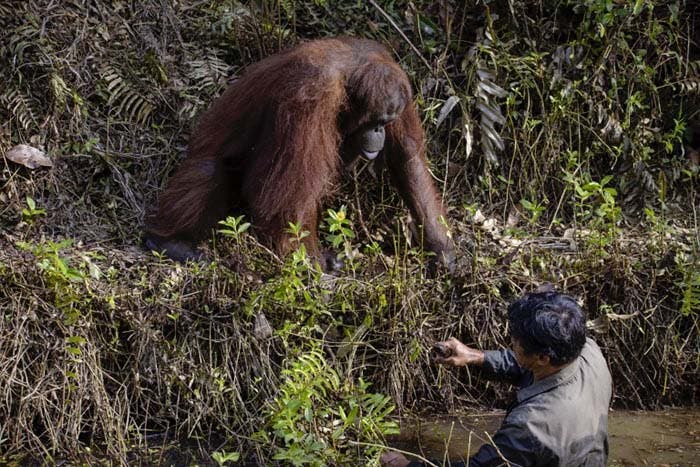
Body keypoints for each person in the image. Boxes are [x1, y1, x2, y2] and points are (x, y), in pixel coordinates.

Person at [381, 289, 613, 467]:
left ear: (542, 357)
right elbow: (527, 365)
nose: (511, 341)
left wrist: (410, 465)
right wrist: (474, 357)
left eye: (516, 342)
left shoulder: (531, 426)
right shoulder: (586, 350)